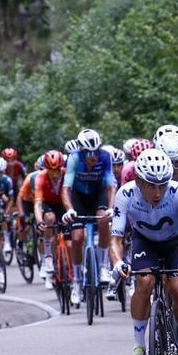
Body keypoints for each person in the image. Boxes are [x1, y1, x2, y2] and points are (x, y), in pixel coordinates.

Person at [109, 149, 178, 355]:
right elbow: (115, 239)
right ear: (138, 181)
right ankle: (139, 346)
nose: (157, 193)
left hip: (176, 242)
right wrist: (118, 263)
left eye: (162, 185)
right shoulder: (125, 195)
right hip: (144, 241)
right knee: (144, 283)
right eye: (151, 185)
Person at [63, 129, 118, 301]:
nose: (92, 157)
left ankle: (103, 266)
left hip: (97, 194)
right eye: (88, 153)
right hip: (79, 198)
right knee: (77, 237)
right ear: (82, 151)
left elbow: (111, 185)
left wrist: (111, 208)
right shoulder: (74, 158)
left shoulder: (105, 156)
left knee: (103, 218)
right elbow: (66, 189)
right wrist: (69, 209)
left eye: (95, 152)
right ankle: (77, 282)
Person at [34, 150, 68, 290]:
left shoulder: (67, 174)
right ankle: (48, 256)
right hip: (49, 204)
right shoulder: (40, 177)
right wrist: (39, 221)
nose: (54, 173)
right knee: (49, 218)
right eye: (50, 170)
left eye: (57, 169)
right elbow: (37, 203)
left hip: (64, 203)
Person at [1, 147, 25, 254]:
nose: (10, 163)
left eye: (12, 160)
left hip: (14, 190)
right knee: (4, 214)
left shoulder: (19, 166)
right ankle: (6, 240)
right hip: (2, 191)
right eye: (7, 160)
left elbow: (26, 179)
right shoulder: (1, 168)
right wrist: (2, 196)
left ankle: (18, 234)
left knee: (19, 213)